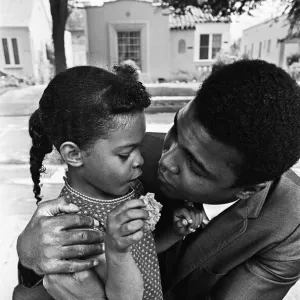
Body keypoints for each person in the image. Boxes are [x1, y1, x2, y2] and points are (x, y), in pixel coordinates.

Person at [14, 59, 300, 300]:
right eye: (176, 130)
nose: (166, 161)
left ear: (248, 190)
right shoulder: (126, 158)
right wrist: (29, 250)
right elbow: (43, 267)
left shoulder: (287, 226)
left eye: (195, 167)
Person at [15, 65, 201, 300]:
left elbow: (143, 252)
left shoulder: (129, 190)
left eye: (139, 147)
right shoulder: (78, 228)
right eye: (125, 154)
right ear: (74, 155)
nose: (140, 160)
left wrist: (173, 234)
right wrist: (117, 251)